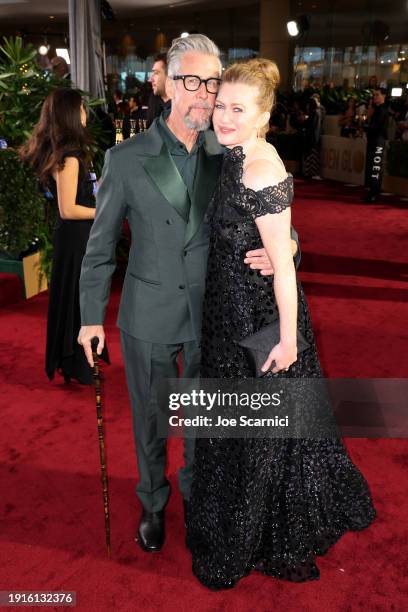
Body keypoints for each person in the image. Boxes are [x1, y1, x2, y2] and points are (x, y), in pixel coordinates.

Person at [78, 35, 301, 554]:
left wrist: (288, 249)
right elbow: (99, 247)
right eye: (192, 81)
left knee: (205, 420)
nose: (205, 94)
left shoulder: (232, 149)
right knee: (151, 420)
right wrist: (91, 317)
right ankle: (153, 503)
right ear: (165, 84)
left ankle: (197, 494)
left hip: (212, 314)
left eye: (213, 82)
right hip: (149, 313)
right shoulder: (126, 158)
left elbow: (276, 217)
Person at [186, 58, 376, 590]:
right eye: (221, 105)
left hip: (257, 325)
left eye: (237, 109)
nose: (223, 117)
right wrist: (287, 245)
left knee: (263, 435)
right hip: (226, 316)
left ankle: (263, 537)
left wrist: (289, 341)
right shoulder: (233, 153)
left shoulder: (263, 169)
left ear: (264, 114)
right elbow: (279, 244)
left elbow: (284, 273)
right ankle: (233, 518)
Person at [20, 88, 109, 384]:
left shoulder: (65, 152)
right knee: (79, 300)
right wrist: (106, 211)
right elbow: (68, 209)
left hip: (73, 238)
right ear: (72, 115)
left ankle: (75, 364)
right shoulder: (69, 157)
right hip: (75, 238)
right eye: (82, 108)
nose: (86, 113)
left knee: (76, 299)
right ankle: (80, 366)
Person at [363, 87, 389, 203]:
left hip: (378, 140)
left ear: (384, 96)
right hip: (374, 140)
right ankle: (372, 192)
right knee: (372, 166)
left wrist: (366, 127)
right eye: (374, 95)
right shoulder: (377, 109)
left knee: (375, 168)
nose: (375, 97)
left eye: (377, 95)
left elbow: (376, 127)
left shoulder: (382, 110)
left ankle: (374, 194)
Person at [146, 53, 171, 126]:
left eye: (156, 73)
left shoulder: (181, 105)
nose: (150, 79)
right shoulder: (153, 101)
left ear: (169, 76)